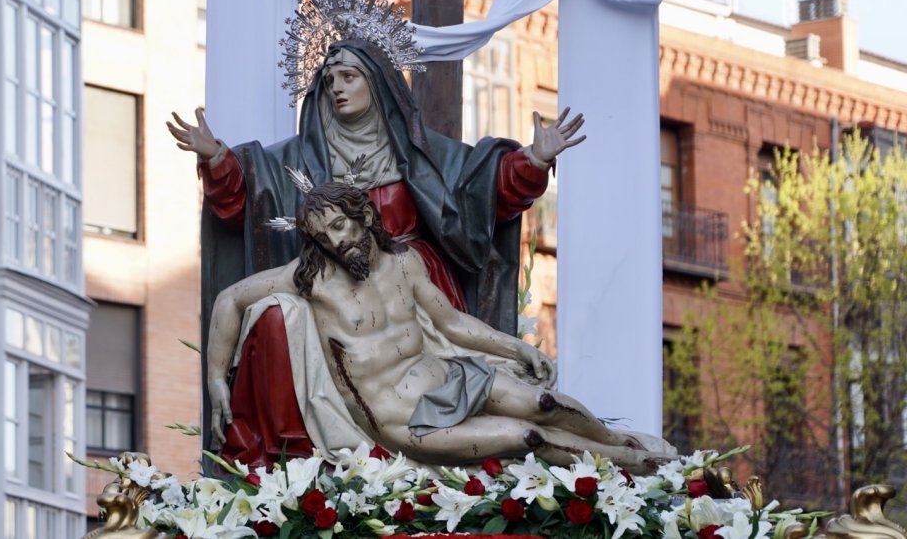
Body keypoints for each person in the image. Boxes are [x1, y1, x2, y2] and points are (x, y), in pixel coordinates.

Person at [169, 39, 584, 465]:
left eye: (349, 77)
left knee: (523, 407)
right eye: (329, 80)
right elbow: (253, 193)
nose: (337, 88)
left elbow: (481, 189)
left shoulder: (418, 151)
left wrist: (534, 159)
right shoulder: (304, 159)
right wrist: (217, 159)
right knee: (280, 317)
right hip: (341, 306)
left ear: (378, 83)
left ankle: (617, 460)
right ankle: (304, 457)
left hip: (416, 289)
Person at [207, 179, 673, 471]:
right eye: (322, 235)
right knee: (527, 437)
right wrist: (215, 378)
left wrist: (517, 348)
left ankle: (621, 443)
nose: (334, 241)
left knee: (545, 403)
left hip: (449, 378)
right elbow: (230, 299)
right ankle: (630, 466)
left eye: (340, 226)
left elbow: (452, 324)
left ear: (365, 216)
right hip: (404, 419)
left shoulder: (404, 263)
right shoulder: (312, 280)